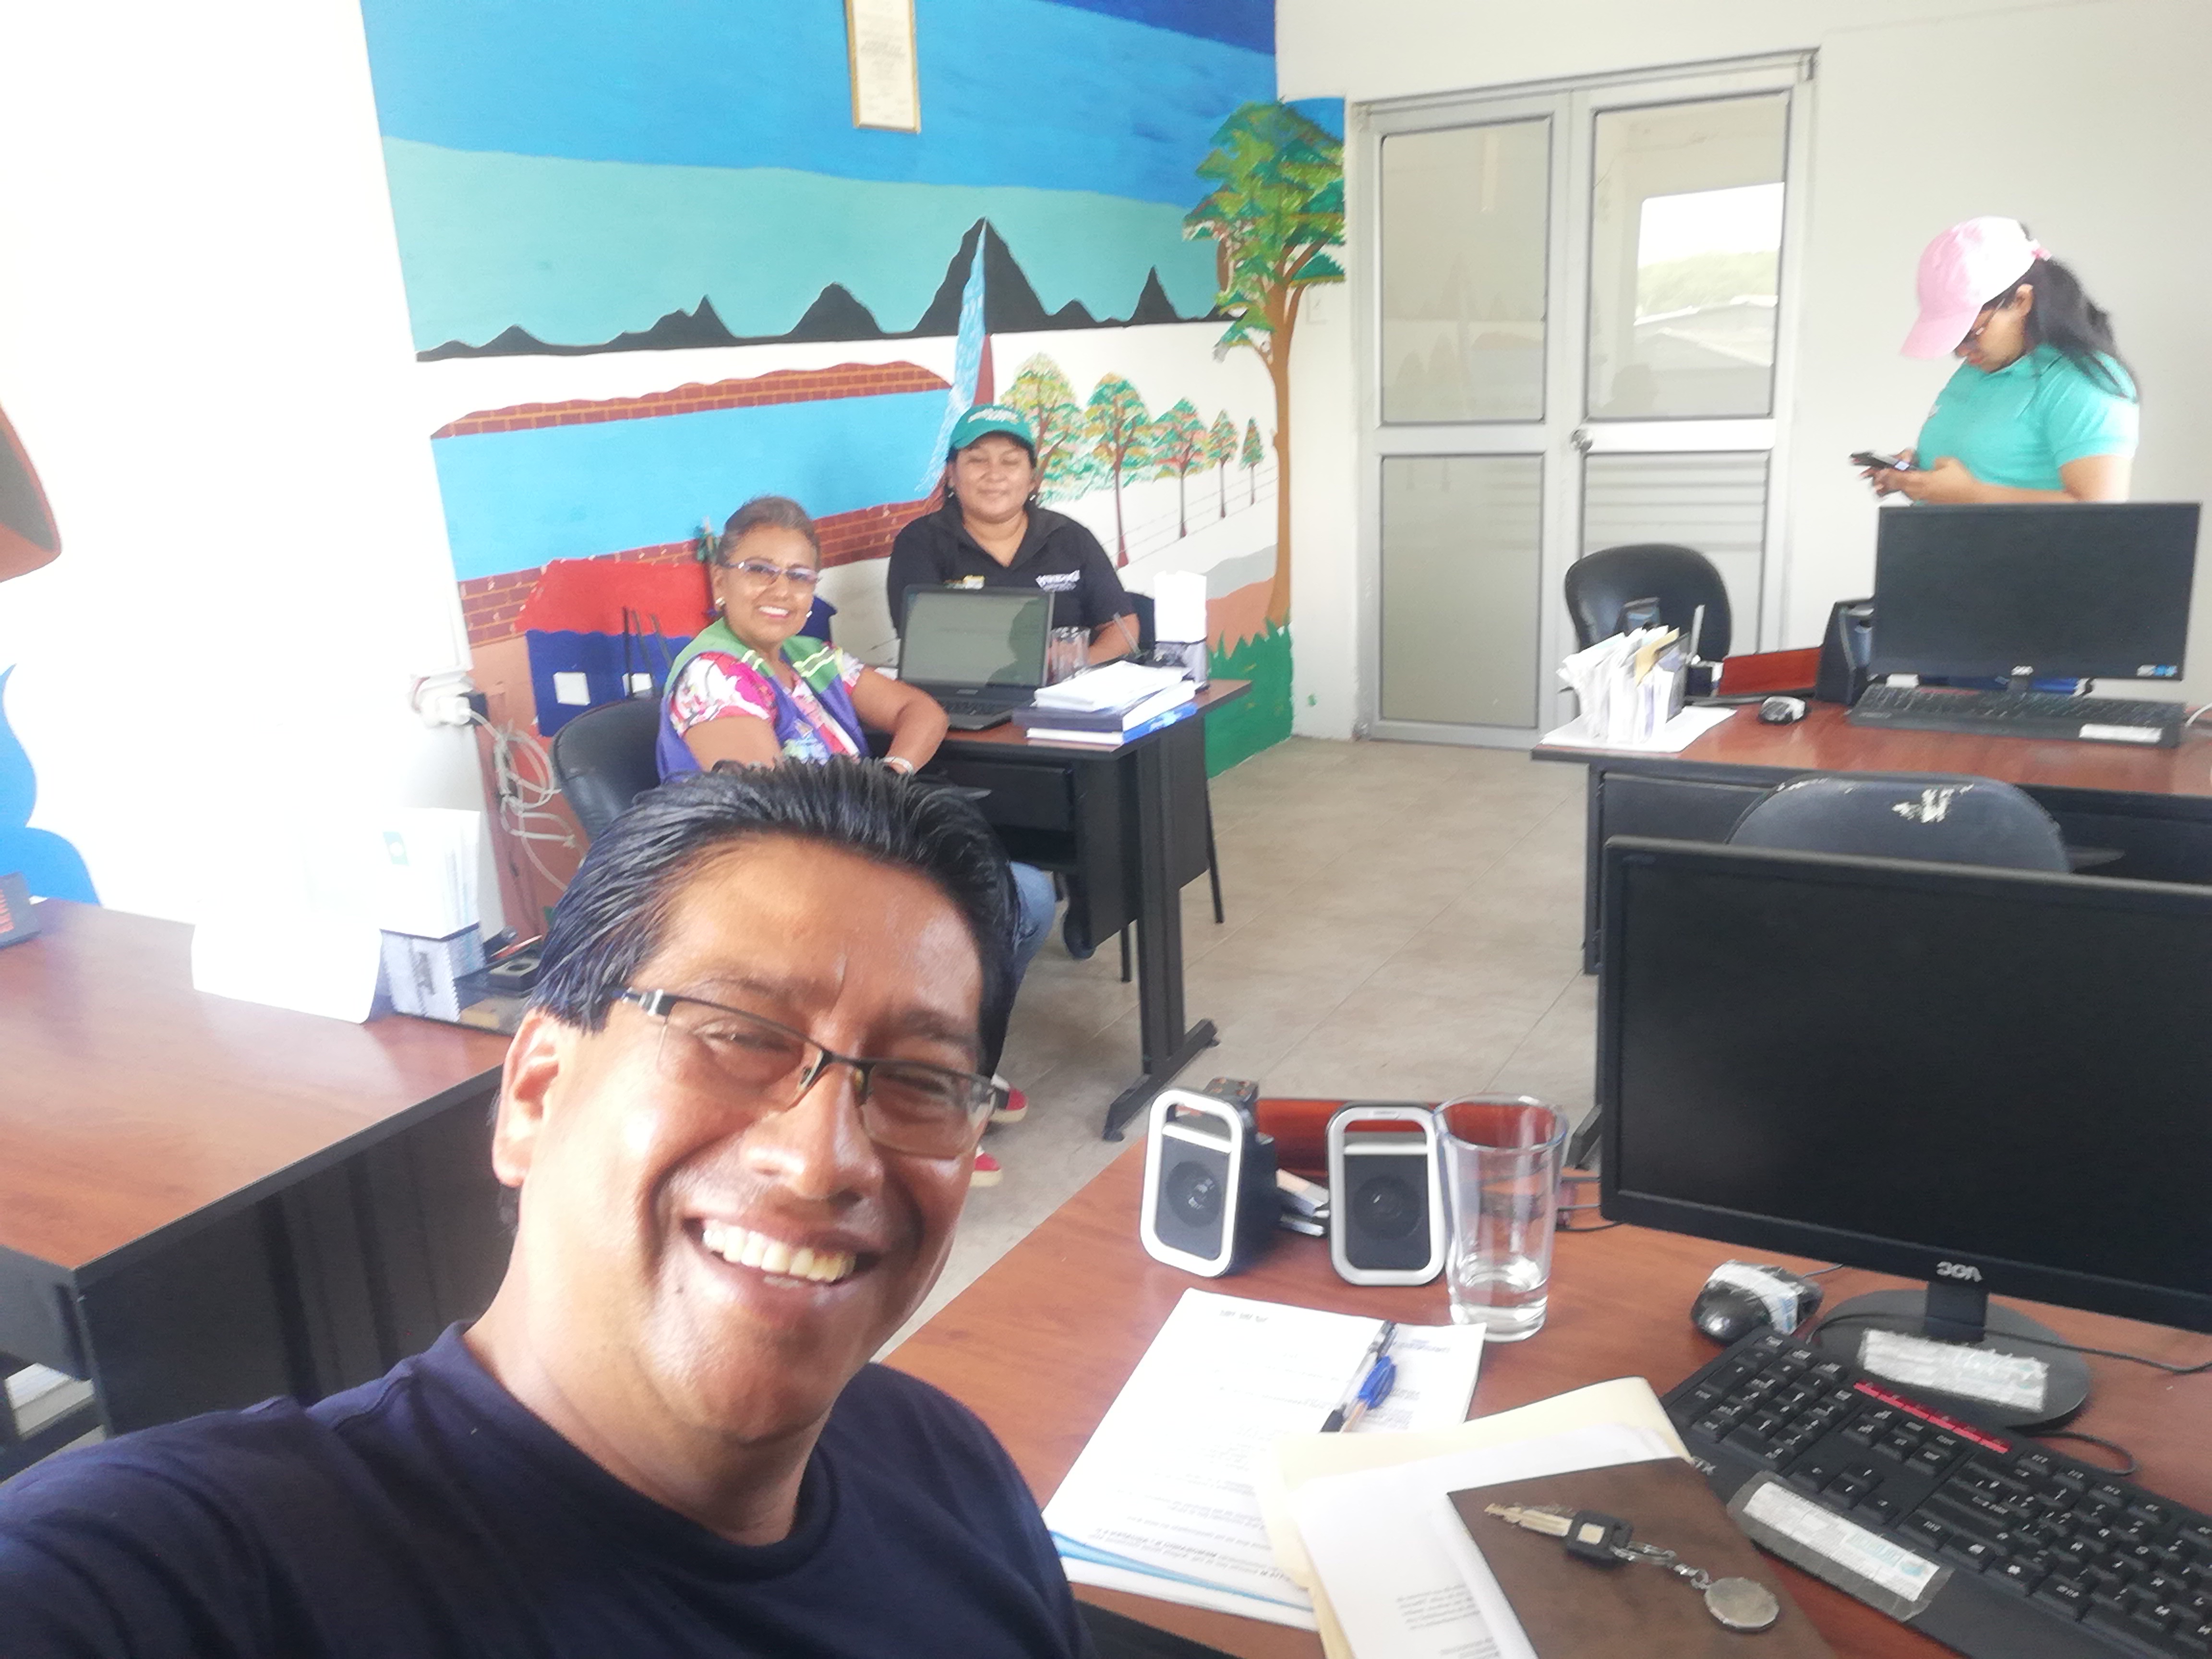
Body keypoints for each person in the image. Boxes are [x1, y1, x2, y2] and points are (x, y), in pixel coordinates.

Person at [0, 764, 1095, 1659]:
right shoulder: (205, 1569)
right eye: (736, 1032)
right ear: (534, 1093)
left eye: (918, 1079)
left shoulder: (945, 1463)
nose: (823, 1159)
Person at [661, 495, 1055, 1178]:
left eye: (799, 576)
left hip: (846, 859)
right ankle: (906, 1104)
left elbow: (920, 710)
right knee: (969, 917)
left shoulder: (811, 658)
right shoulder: (716, 675)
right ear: (720, 579)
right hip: (765, 883)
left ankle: (942, 1069)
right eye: (759, 570)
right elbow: (779, 817)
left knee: (1024, 896)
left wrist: (892, 774)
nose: (781, 590)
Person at [1867, 216, 2138, 505]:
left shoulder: (2080, 383)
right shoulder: (1980, 368)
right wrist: (1919, 477)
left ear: (2022, 301)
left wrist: (1968, 495)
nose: (1962, 352)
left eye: (1971, 334)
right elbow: (1987, 469)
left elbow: (2100, 512)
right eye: (1953, 340)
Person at [885, 405, 1140, 661]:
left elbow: (1122, 626)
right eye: (977, 460)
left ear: (1032, 479)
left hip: (1067, 683)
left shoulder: (1070, 537)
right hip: (962, 684)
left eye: (1010, 462)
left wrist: (1075, 664)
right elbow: (924, 641)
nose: (995, 475)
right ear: (951, 474)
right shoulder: (920, 542)